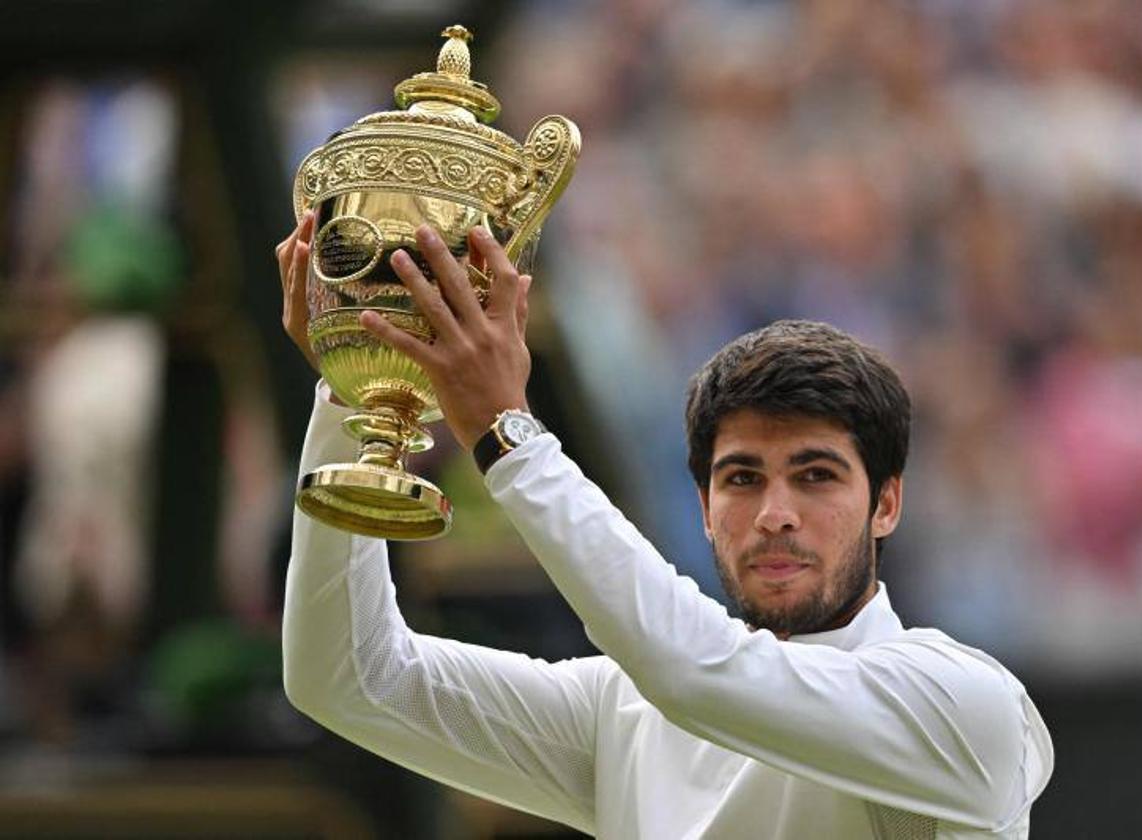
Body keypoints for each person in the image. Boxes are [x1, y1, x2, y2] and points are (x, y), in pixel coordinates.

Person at [277, 217, 1054, 839]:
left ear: (887, 504)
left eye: (816, 476)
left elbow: (695, 673)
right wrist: (358, 386)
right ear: (704, 506)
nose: (775, 513)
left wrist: (508, 435)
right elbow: (347, 676)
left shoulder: (966, 704)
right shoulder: (624, 712)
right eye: (741, 478)